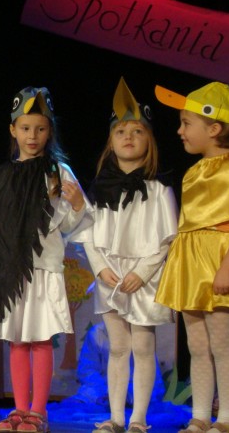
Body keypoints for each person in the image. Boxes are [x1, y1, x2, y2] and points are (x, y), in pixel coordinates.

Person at [0, 86, 92, 433]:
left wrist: (78, 204)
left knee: (40, 338)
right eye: (25, 128)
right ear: (13, 130)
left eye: (40, 129)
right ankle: (20, 408)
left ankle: (39, 411)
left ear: (49, 131)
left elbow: (68, 224)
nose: (32, 136)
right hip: (11, 272)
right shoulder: (4, 174)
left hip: (42, 267)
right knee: (17, 339)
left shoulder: (57, 171)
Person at [71, 78, 178, 433]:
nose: (128, 137)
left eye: (137, 131)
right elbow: (88, 233)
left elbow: (167, 240)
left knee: (143, 346)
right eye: (120, 131)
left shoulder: (159, 189)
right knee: (118, 346)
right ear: (110, 140)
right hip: (111, 275)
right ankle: (116, 417)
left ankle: (138, 419)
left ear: (150, 140)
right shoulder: (100, 188)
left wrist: (143, 273)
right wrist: (101, 269)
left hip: (144, 277)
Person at [153, 81, 229, 433]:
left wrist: (228, 267)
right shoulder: (193, 171)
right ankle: (200, 415)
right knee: (197, 345)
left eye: (186, 123)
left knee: (223, 344)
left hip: (220, 263)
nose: (179, 131)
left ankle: (227, 417)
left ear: (214, 129)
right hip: (191, 264)